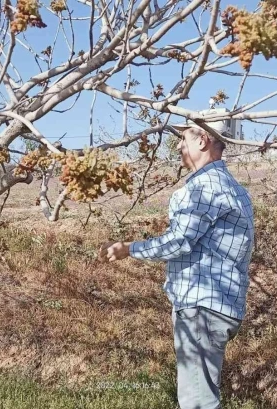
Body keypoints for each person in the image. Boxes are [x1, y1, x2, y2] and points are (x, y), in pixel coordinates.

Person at [99, 120, 254, 409]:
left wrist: (128, 248)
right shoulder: (235, 188)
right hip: (220, 305)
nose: (179, 145)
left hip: (201, 307)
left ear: (203, 140)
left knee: (197, 403)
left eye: (183, 138)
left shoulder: (204, 187)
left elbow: (178, 241)